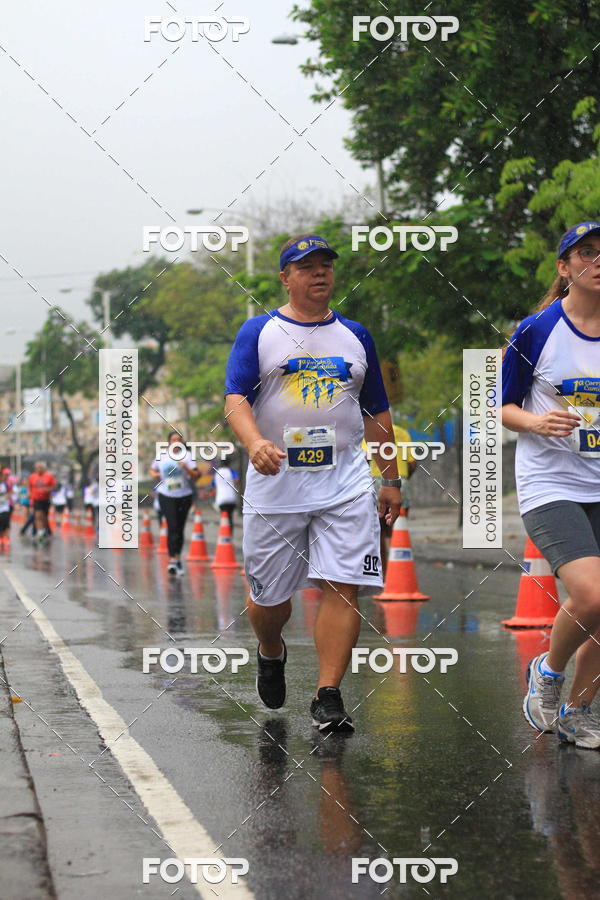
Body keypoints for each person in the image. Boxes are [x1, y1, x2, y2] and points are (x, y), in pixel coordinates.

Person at [224, 233, 402, 732]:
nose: (319, 273)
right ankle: (270, 648)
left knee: (343, 587)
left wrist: (391, 477)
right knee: (267, 603)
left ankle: (328, 695)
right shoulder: (259, 332)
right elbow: (235, 400)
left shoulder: (356, 335)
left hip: (343, 483)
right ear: (285, 278)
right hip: (276, 485)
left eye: (326, 265)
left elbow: (377, 412)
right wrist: (255, 441)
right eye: (306, 267)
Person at [502, 221, 600, 749]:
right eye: (587, 253)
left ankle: (576, 713)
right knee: (591, 594)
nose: (599, 261)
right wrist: (537, 422)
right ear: (565, 269)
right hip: (551, 482)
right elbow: (501, 406)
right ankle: (548, 670)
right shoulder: (538, 330)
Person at [362, 423, 417, 577]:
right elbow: (412, 463)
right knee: (399, 530)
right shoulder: (402, 432)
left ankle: (385, 574)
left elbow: (365, 458)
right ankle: (400, 572)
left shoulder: (369, 430)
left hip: (378, 482)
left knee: (377, 531)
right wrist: (403, 480)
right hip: (400, 482)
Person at [150, 432, 198, 576]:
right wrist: (156, 475)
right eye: (173, 439)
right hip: (166, 495)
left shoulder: (187, 456)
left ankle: (177, 559)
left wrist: (186, 468)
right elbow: (152, 470)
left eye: (179, 440)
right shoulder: (162, 455)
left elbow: (196, 475)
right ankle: (172, 559)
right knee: (172, 526)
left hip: (184, 495)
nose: (176, 442)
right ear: (169, 442)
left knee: (180, 527)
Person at [28, 461, 57, 542]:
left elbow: (54, 486)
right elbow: (29, 486)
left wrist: (47, 489)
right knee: (38, 515)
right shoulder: (32, 476)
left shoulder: (49, 476)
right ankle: (40, 533)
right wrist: (29, 493)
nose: (37, 469)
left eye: (39, 468)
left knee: (44, 517)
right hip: (36, 499)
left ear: (43, 468)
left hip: (46, 499)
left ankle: (44, 531)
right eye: (36, 468)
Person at [213, 464, 238, 534]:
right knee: (230, 517)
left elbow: (213, 484)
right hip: (231, 498)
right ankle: (230, 534)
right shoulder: (231, 471)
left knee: (224, 517)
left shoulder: (217, 472)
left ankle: (225, 535)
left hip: (221, 499)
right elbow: (237, 479)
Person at [0, 470, 11, 548]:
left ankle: (6, 540)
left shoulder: (6, 484)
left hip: (4, 508)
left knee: (6, 525)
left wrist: (8, 495)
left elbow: (10, 492)